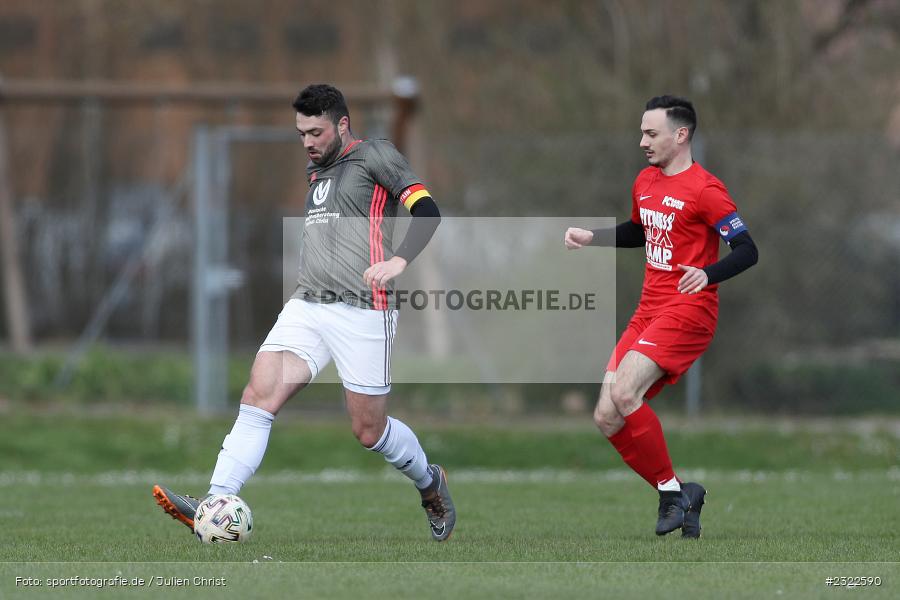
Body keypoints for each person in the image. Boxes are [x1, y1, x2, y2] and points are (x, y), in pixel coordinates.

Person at [153, 84, 455, 542]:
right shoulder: (316, 172)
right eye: (301, 134)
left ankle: (430, 484)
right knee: (259, 395)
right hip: (308, 304)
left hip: (364, 310)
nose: (308, 142)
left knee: (369, 430)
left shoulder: (376, 155)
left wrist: (399, 261)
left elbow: (428, 211)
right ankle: (217, 499)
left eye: (316, 132)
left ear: (342, 124)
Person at [564, 95, 758, 538]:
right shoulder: (645, 181)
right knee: (606, 416)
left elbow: (748, 250)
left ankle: (670, 497)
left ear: (681, 135)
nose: (642, 142)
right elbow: (640, 230)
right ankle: (680, 492)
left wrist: (707, 274)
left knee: (625, 391)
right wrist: (591, 237)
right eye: (642, 133)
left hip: (689, 310)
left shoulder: (706, 190)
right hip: (648, 310)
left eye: (651, 133)